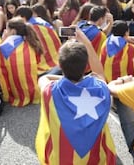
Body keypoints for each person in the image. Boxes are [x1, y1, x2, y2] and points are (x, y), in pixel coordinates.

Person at [36, 28, 116, 164]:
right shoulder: (101, 90)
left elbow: (45, 77)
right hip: (94, 159)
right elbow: (100, 74)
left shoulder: (48, 91)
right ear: (86, 67)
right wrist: (85, 41)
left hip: (61, 159)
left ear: (60, 66)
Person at [0, 17, 43, 107]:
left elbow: (1, 72)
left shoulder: (3, 47)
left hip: (17, 94)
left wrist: (5, 96)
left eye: (7, 29)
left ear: (13, 31)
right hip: (34, 91)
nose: (5, 31)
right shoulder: (31, 42)